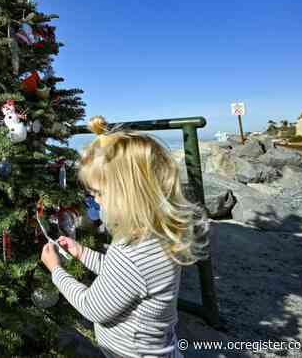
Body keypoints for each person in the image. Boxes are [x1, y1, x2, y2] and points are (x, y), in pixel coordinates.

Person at [40, 115, 210, 358]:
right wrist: (81, 252)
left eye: (98, 193)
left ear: (128, 194)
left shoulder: (131, 252)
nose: (95, 200)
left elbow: (92, 307)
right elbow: (120, 276)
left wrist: (56, 270)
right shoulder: (155, 234)